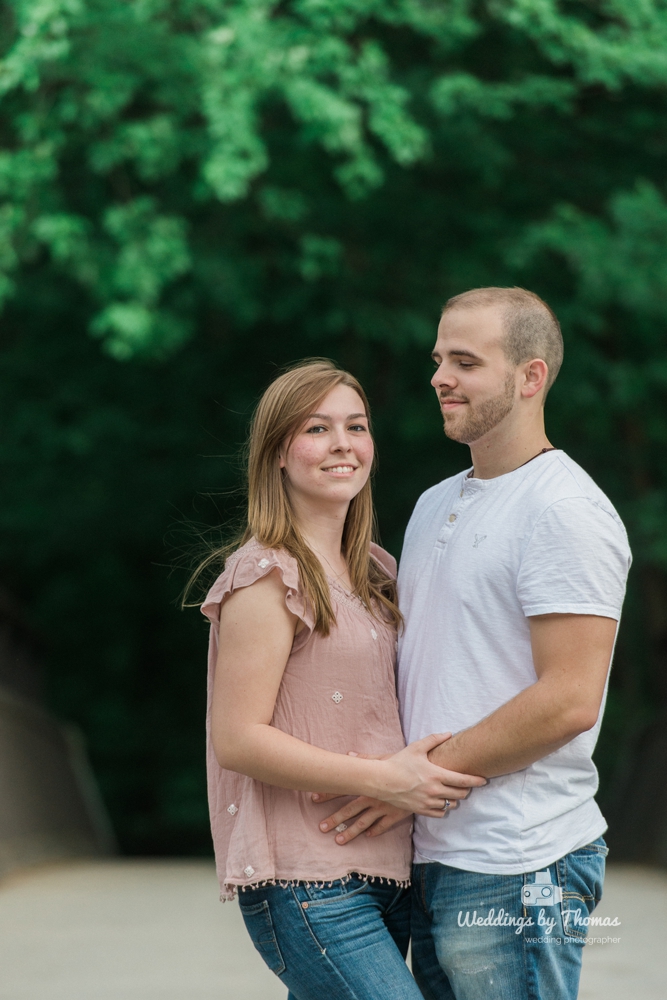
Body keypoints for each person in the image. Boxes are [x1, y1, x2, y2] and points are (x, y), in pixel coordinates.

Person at [316, 288, 632, 1000]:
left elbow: (568, 701)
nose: (439, 377)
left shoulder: (564, 510)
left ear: (530, 377)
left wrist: (413, 786)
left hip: (518, 860)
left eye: (464, 361)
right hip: (432, 854)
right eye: (437, 360)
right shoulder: (436, 502)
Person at [195, 359, 483, 1000]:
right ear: (276, 453)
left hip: (394, 871)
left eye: (356, 426)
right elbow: (237, 739)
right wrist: (385, 779)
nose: (342, 444)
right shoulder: (266, 575)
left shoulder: (379, 574)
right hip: (305, 880)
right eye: (317, 428)